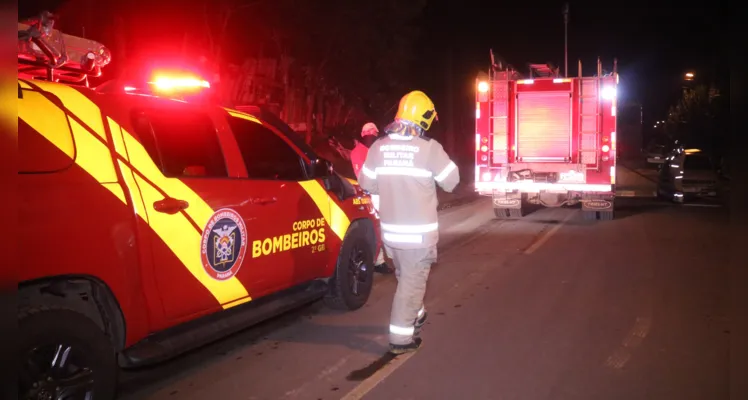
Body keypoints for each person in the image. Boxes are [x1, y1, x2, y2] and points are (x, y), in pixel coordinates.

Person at [358, 90, 459, 354]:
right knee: (411, 285)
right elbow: (452, 181)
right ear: (424, 118)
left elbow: (366, 183)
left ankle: (417, 311)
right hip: (419, 237)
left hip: (391, 236)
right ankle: (401, 338)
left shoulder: (379, 147)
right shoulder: (429, 149)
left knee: (408, 279)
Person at [351, 122, 393, 274]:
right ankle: (378, 261)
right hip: (371, 195)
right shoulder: (359, 152)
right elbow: (363, 177)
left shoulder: (376, 150)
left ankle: (380, 259)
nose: (373, 137)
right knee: (377, 228)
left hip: (382, 193)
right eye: (372, 134)